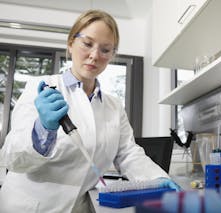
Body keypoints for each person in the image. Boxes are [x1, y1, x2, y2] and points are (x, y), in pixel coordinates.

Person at [0, 9, 180, 213]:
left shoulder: (113, 106)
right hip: (30, 207)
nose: (94, 55)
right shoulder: (42, 88)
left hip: (79, 207)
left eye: (105, 50)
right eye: (87, 44)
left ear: (112, 55)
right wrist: (42, 130)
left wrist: (158, 179)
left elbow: (129, 154)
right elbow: (12, 158)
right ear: (70, 43)